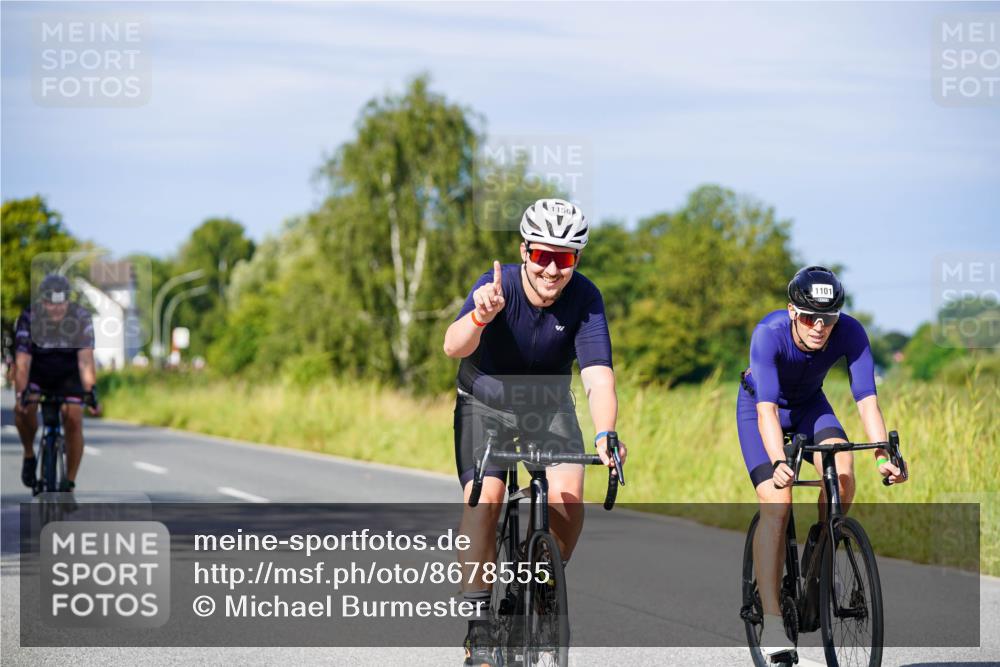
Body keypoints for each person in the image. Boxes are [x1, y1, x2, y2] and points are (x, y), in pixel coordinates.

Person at [443, 198, 627, 666]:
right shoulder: (496, 284)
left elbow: (597, 375)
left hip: (546, 407)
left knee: (568, 497)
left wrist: (606, 432)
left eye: (563, 259)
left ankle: (539, 580)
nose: (551, 269)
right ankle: (479, 625)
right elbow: (452, 345)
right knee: (485, 500)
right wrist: (481, 315)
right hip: (485, 404)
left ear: (576, 260)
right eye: (542, 255)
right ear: (524, 250)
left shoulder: (585, 298)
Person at [737, 265, 907, 656]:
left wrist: (883, 451)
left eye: (828, 318)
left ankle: (822, 543)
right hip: (761, 408)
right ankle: (774, 622)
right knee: (777, 506)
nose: (819, 327)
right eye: (810, 317)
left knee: (843, 476)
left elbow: (866, 400)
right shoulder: (769, 333)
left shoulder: (851, 332)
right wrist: (780, 461)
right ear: (793, 312)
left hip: (811, 407)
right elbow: (765, 412)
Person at [13, 273, 101, 492]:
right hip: (37, 372)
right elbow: (22, 363)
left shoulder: (80, 317)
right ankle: (29, 454)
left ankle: (69, 482)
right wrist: (20, 395)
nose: (57, 309)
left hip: (68, 374)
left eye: (61, 304)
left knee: (73, 418)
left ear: (68, 301)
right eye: (51, 305)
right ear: (42, 302)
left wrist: (90, 393)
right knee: (24, 410)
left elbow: (85, 360)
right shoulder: (29, 317)